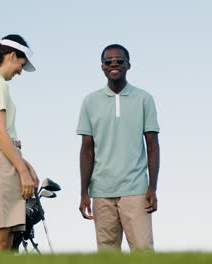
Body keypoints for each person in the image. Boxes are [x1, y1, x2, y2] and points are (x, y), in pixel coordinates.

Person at [77, 44, 160, 250]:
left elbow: (152, 146)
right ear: (102, 67)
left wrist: (152, 187)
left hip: (136, 189)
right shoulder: (90, 102)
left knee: (143, 250)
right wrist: (84, 192)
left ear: (128, 65)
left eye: (119, 61)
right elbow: (87, 150)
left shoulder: (144, 99)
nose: (114, 64)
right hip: (102, 191)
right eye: (108, 61)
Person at [0, 34, 39, 253]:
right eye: (21, 64)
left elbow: (2, 136)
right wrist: (22, 170)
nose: (20, 71)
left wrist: (23, 163)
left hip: (3, 159)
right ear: (12, 56)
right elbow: (0, 133)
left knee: (6, 241)